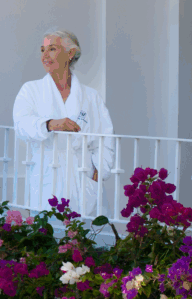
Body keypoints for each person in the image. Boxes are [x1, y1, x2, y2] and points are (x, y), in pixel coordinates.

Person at [12, 29, 115, 217]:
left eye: (52, 49)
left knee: (85, 230)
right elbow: (21, 125)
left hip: (83, 175)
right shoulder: (31, 90)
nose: (45, 56)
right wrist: (50, 124)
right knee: (48, 228)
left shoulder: (91, 97)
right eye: (42, 50)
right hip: (47, 173)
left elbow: (105, 137)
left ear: (70, 53)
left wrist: (100, 171)